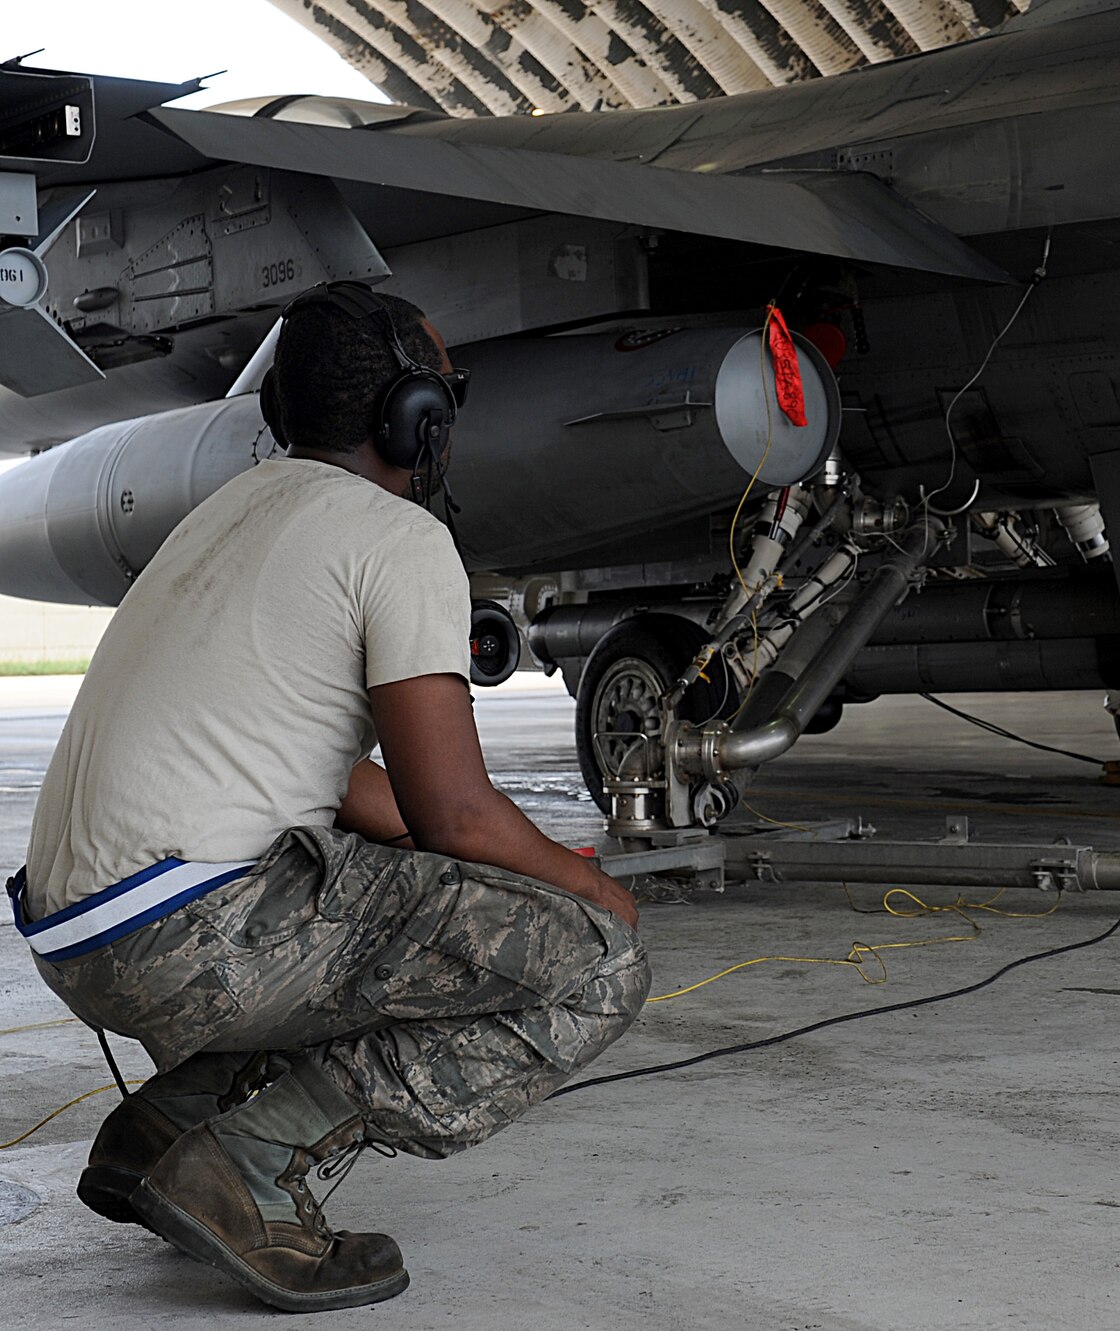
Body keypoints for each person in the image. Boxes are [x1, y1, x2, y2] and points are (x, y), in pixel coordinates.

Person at [6, 283, 648, 1313]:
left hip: (82, 934)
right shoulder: (395, 541)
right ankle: (250, 1167)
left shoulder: (229, 512)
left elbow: (345, 782)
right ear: (414, 417)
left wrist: (466, 869)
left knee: (401, 910)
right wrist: (588, 887)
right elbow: (458, 814)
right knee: (593, 965)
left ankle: (166, 1127)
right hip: (192, 935)